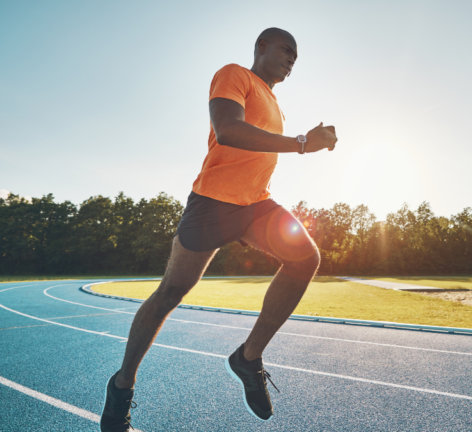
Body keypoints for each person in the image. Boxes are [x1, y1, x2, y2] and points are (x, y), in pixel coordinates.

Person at [100, 27, 337, 431]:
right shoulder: (234, 74)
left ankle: (247, 358)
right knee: (170, 293)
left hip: (255, 203)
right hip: (213, 201)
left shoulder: (276, 104)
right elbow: (228, 130)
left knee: (305, 258)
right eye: (286, 49)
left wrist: (305, 140)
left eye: (297, 55)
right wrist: (301, 143)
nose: (292, 58)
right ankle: (121, 387)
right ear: (261, 47)